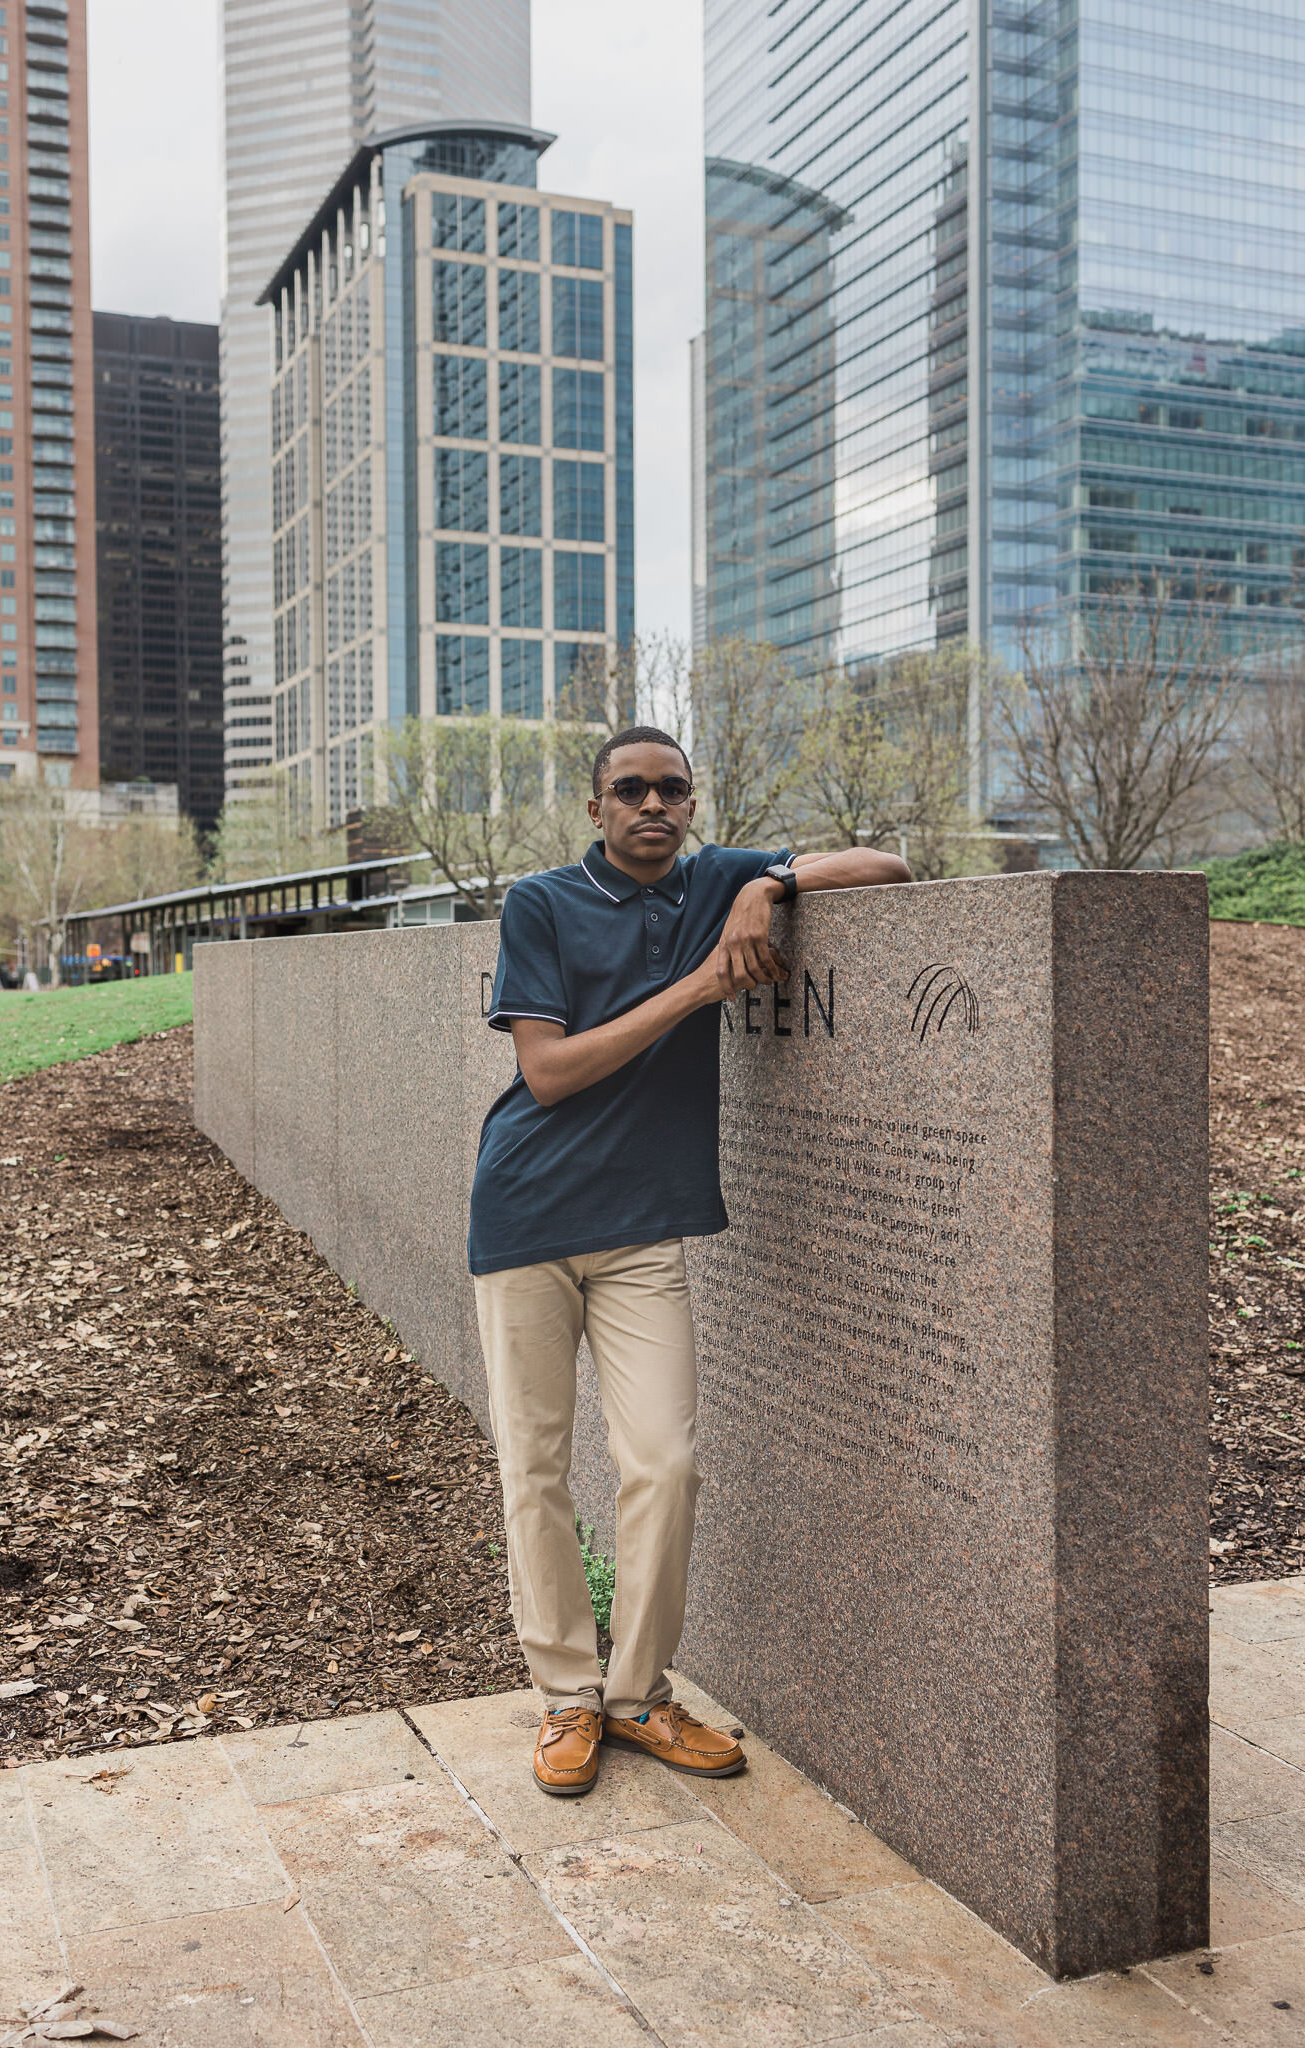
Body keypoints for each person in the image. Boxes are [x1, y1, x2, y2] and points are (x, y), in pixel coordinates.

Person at [468, 725, 911, 1795]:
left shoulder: (715, 877)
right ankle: (568, 1696)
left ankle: (637, 1693)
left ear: (693, 801)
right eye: (631, 790)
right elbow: (551, 1071)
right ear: (595, 806)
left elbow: (890, 866)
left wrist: (767, 882)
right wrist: (699, 986)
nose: (653, 805)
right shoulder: (542, 902)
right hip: (528, 1215)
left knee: (664, 1460)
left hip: (641, 1232)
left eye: (672, 789)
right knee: (535, 1466)